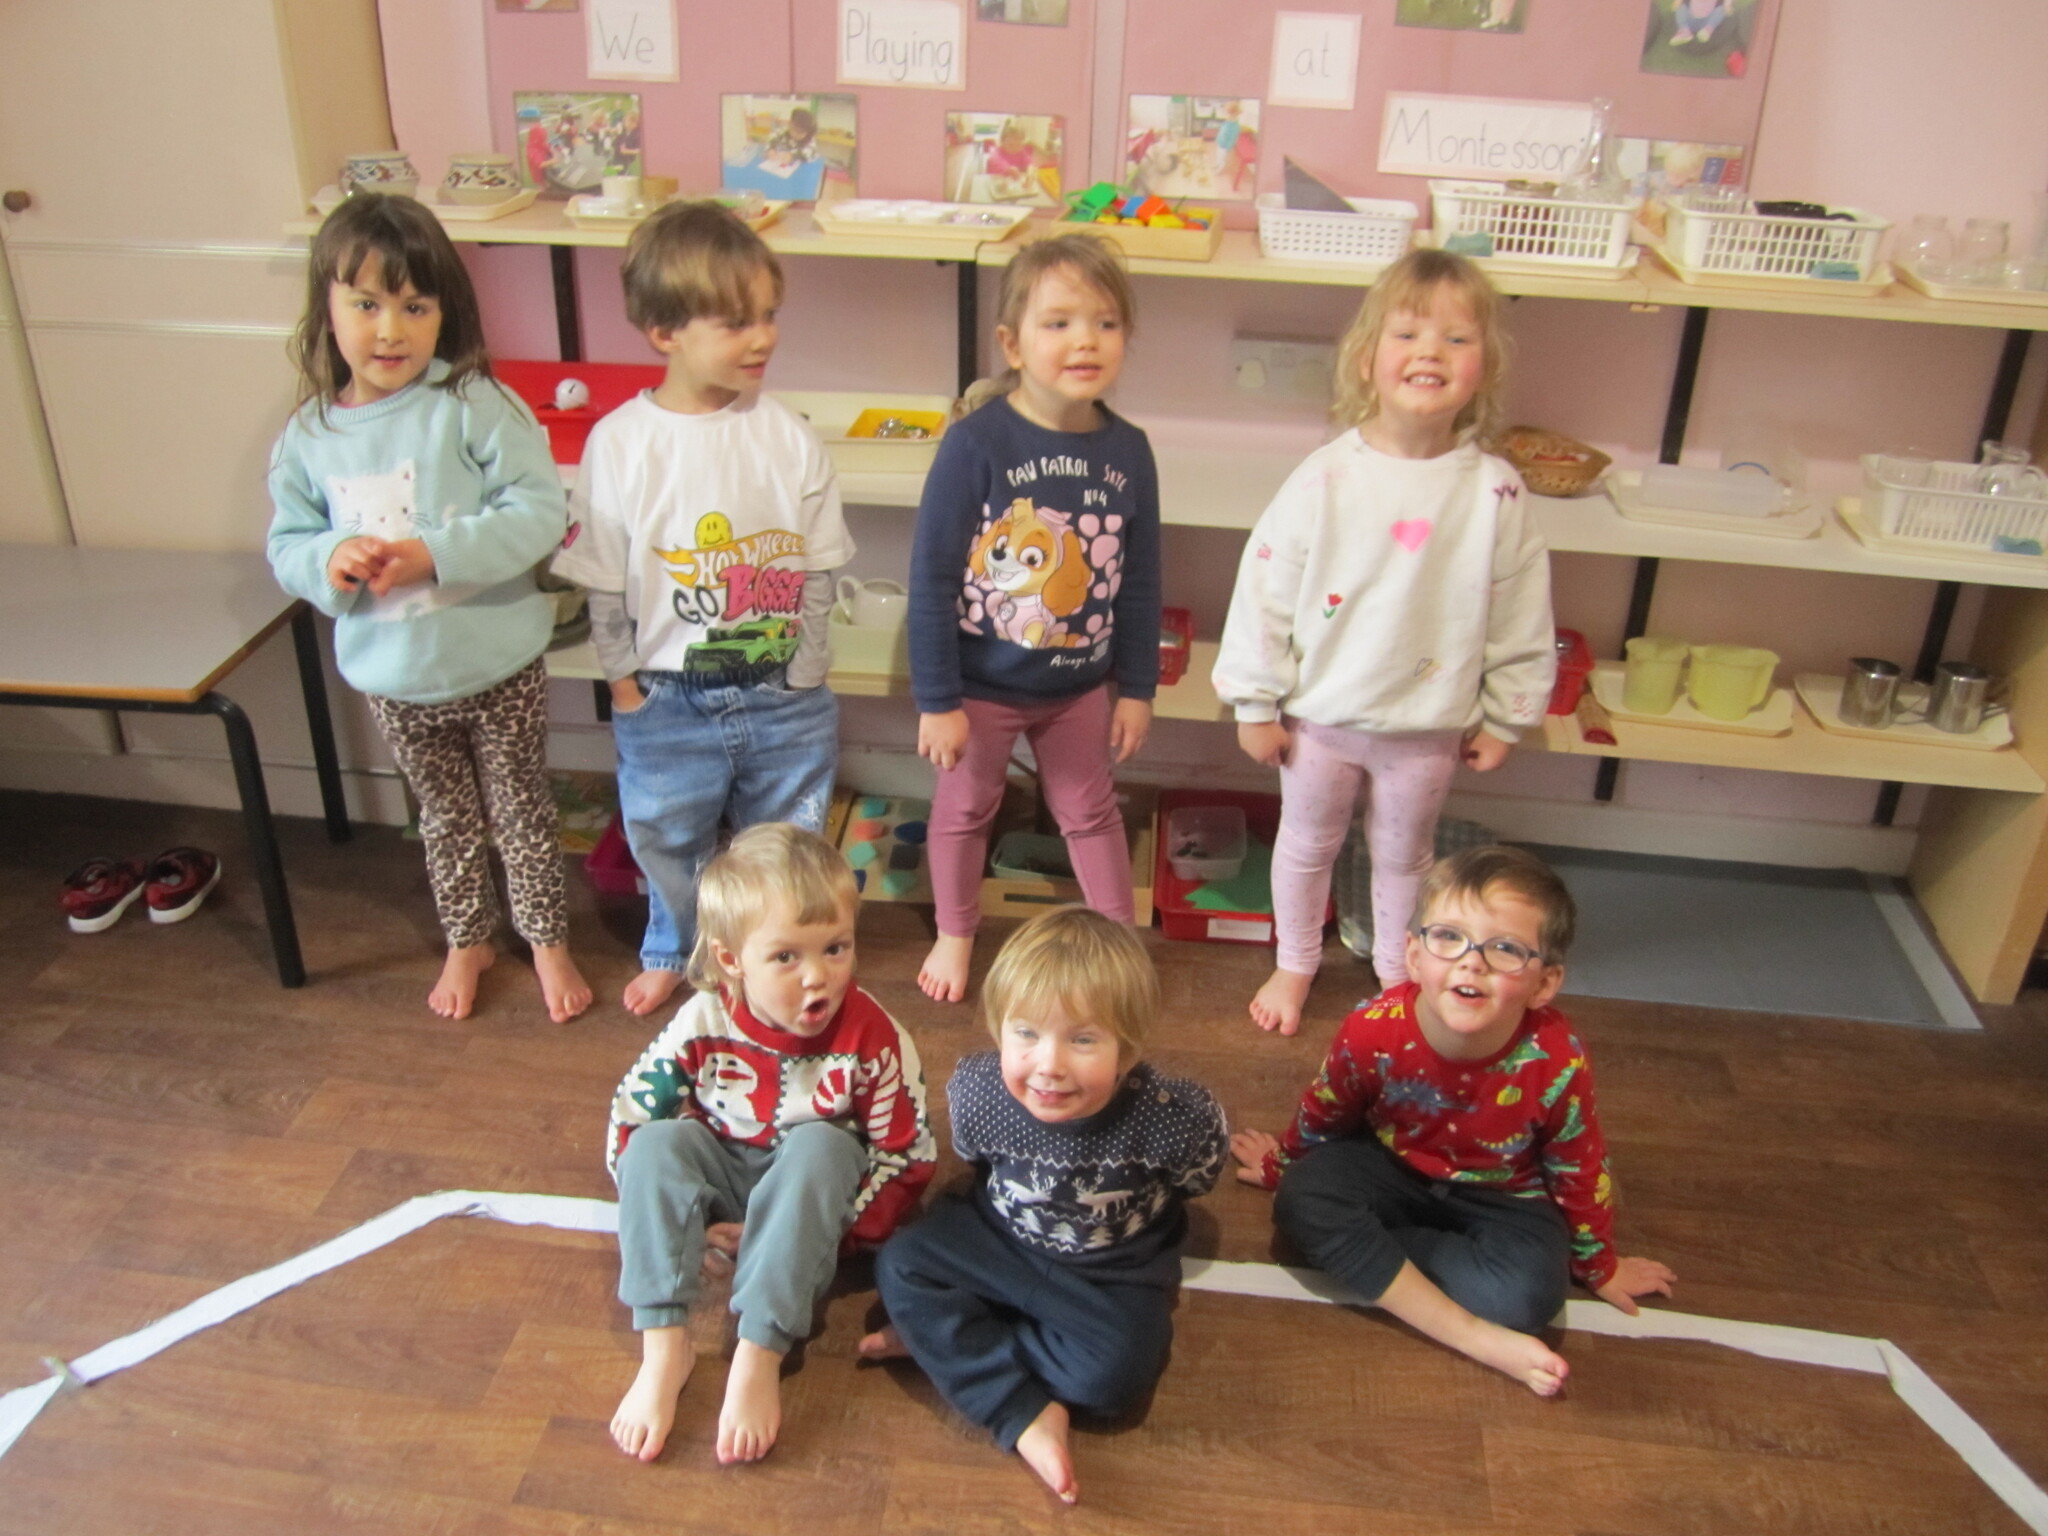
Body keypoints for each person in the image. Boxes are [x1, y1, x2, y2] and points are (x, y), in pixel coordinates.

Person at [1211, 248, 1555, 1036]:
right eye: (1408, 334)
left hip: (1426, 728)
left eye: (1456, 339)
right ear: (1367, 359)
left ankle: (1400, 977)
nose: (1431, 352)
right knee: (1306, 845)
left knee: (1405, 858)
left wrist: (1508, 716)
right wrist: (1254, 702)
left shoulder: (1495, 491)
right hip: (1320, 721)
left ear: (1484, 367)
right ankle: (1296, 961)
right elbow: (1265, 590)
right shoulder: (1325, 478)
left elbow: (1521, 611)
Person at [266, 193, 591, 1024]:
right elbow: (288, 544)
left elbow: (537, 513)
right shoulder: (308, 436)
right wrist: (330, 559)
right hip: (396, 679)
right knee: (444, 820)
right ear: (327, 308)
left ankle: (547, 940)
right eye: (366, 304)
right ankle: (468, 938)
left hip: (499, 662)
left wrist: (433, 553)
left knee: (522, 810)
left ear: (446, 312)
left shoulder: (474, 400)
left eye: (415, 307)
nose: (391, 331)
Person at [551, 201, 853, 1017]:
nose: (763, 338)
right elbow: (603, 579)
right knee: (667, 837)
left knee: (785, 844)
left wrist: (807, 673)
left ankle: (780, 961)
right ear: (665, 331)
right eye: (736, 322)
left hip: (782, 691)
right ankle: (677, 951)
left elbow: (821, 566)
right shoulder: (621, 443)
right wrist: (623, 685)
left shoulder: (789, 435)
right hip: (665, 695)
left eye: (769, 316)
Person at [1231, 845, 1676, 1396]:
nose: (1472, 961)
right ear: (1414, 956)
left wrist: (1598, 1264)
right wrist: (1282, 1165)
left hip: (1506, 1195)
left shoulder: (1558, 1058)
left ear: (1544, 984)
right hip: (1389, 1166)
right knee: (1302, 1197)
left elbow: (1579, 1163)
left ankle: (1373, 1253)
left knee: (1532, 1297)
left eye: (1505, 948)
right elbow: (1327, 1108)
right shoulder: (1372, 1027)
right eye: (1449, 937)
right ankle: (1466, 1330)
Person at [860, 906, 1226, 1504]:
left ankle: (952, 1345)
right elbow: (975, 1160)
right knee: (900, 1262)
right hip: (1000, 1241)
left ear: (1128, 1049)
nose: (1049, 1065)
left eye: (1082, 1039)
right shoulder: (979, 1093)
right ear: (999, 1030)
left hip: (1112, 1272)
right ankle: (1014, 1403)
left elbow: (1198, 1175)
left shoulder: (1172, 1117)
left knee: (1119, 1376)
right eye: (1026, 1034)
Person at [606, 824, 936, 1465]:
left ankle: (758, 1354)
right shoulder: (702, 1018)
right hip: (724, 1172)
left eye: (836, 948)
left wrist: (832, 1233)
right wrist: (693, 1228)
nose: (818, 977)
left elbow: (908, 1156)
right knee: (653, 1145)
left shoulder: (876, 1035)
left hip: (811, 1199)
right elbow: (629, 1116)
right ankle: (663, 1351)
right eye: (786, 957)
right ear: (732, 960)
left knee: (822, 1147)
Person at [907, 234, 1161, 1003]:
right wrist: (938, 701)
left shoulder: (1131, 450)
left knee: (1090, 809)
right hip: (979, 686)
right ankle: (956, 932)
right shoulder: (975, 443)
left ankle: (1117, 943)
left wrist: (1137, 687)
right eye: (1059, 323)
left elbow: (1141, 578)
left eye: (1106, 323)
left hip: (1078, 687)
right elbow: (931, 577)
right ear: (1013, 345)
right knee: (965, 807)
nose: (1086, 340)